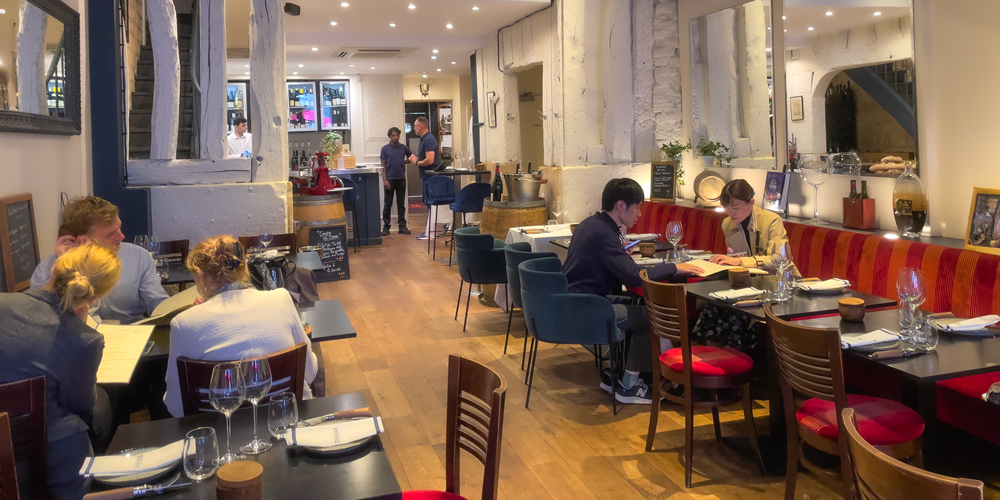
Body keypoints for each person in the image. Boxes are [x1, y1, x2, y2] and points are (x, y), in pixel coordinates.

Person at [563, 178, 702, 404]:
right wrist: (675, 267)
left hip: (577, 299)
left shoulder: (591, 223)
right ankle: (629, 385)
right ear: (620, 206)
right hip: (587, 307)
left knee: (640, 304)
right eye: (637, 206)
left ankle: (618, 374)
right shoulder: (605, 233)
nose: (639, 214)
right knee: (653, 316)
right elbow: (633, 276)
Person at [0, 244, 121, 500]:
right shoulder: (83, 339)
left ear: (54, 269)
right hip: (39, 462)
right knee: (95, 412)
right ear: (98, 295)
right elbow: (81, 405)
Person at [163, 235, 318, 417]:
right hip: (286, 420)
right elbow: (310, 372)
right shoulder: (281, 298)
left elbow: (176, 406)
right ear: (245, 267)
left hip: (222, 430)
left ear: (200, 275)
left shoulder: (183, 323)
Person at [30, 196, 168, 323]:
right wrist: (63, 270)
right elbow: (42, 317)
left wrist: (180, 311)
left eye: (119, 228)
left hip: (133, 335)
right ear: (83, 240)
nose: (122, 236)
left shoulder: (138, 257)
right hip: (79, 341)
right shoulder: (47, 269)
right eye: (111, 234)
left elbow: (157, 302)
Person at [696, 179, 797, 350]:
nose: (730, 213)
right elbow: (734, 256)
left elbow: (780, 260)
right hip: (748, 285)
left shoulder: (772, 221)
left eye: (735, 208)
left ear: (751, 202)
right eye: (726, 208)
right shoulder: (727, 224)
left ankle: (738, 367)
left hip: (779, 286)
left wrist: (740, 261)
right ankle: (713, 363)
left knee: (737, 311)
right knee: (715, 305)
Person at [408, 116, 447, 240]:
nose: (414, 128)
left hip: (431, 177)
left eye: (415, 125)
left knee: (431, 203)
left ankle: (432, 231)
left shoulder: (429, 139)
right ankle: (433, 230)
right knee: (428, 203)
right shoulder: (424, 139)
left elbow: (429, 160)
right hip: (427, 176)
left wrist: (416, 162)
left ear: (421, 126)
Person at [380, 126, 413, 236]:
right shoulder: (385, 149)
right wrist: (385, 180)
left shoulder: (403, 148)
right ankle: (386, 227)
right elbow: (383, 166)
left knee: (401, 204)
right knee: (387, 204)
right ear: (389, 136)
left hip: (401, 179)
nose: (395, 137)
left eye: (397, 135)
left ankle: (402, 227)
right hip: (389, 180)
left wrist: (404, 162)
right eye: (393, 135)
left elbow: (412, 157)